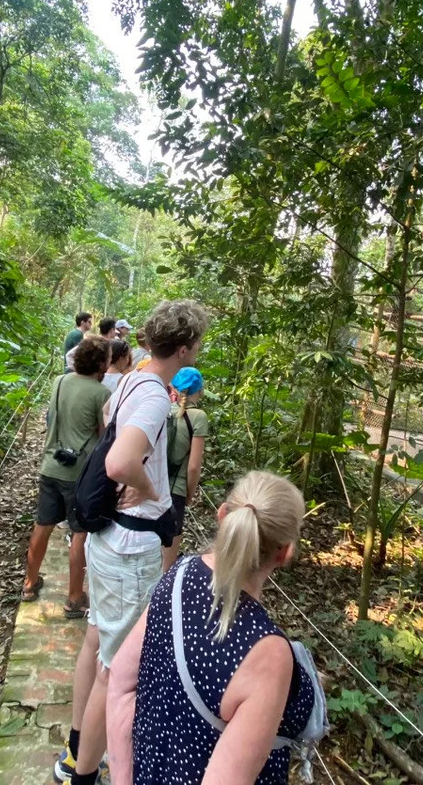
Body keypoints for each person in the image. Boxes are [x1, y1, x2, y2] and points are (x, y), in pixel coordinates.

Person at [56, 299, 210, 785]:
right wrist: (145, 487)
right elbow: (120, 463)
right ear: (184, 348)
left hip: (110, 540)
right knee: (117, 671)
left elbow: (108, 417)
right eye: (198, 344)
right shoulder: (152, 395)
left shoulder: (134, 378)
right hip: (130, 545)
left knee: (98, 640)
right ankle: (82, 773)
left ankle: (79, 747)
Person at [107, 471, 317, 785]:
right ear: (284, 553)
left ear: (222, 515)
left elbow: (121, 689)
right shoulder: (268, 654)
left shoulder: (179, 574)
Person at [23, 338, 111, 617]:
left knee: (43, 524)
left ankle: (29, 583)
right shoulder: (102, 393)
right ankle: (74, 597)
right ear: (100, 363)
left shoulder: (59, 382)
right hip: (79, 472)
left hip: (50, 465)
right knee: (79, 532)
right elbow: (103, 434)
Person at [161, 367, 210, 571]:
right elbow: (193, 466)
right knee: (167, 561)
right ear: (196, 390)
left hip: (153, 486)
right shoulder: (198, 416)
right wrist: (189, 493)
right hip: (175, 491)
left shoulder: (163, 409)